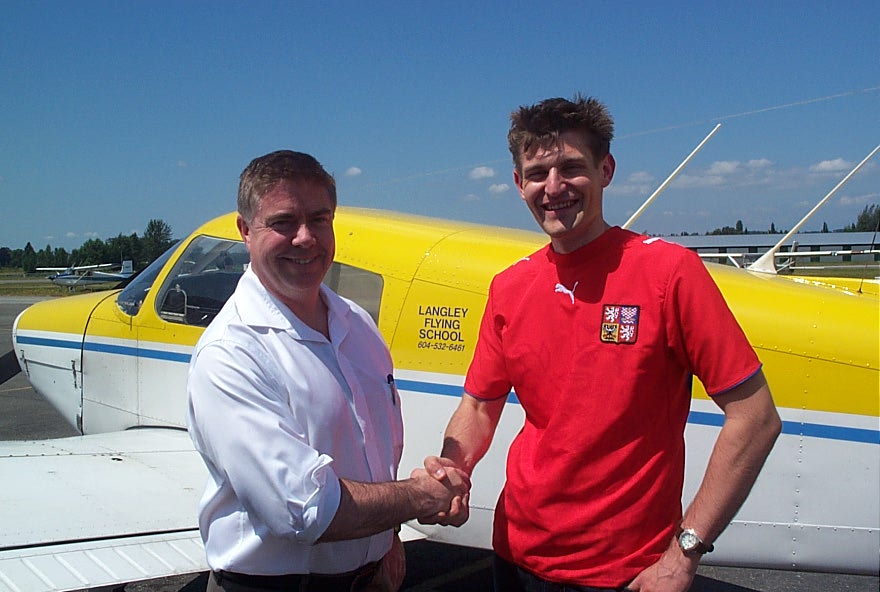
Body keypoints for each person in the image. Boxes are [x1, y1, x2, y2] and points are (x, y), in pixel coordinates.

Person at [425, 95, 782, 592]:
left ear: (606, 169)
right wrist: (454, 467)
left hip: (626, 572)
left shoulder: (668, 273)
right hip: (514, 557)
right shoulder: (510, 287)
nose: (553, 188)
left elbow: (756, 417)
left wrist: (686, 552)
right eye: (537, 173)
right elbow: (480, 406)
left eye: (571, 168)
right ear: (517, 183)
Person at [187, 150, 469, 592]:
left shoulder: (357, 323)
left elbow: (374, 454)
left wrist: (388, 538)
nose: (305, 238)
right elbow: (301, 508)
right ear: (245, 230)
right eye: (283, 222)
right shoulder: (230, 352)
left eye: (319, 219)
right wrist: (420, 496)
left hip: (372, 579)